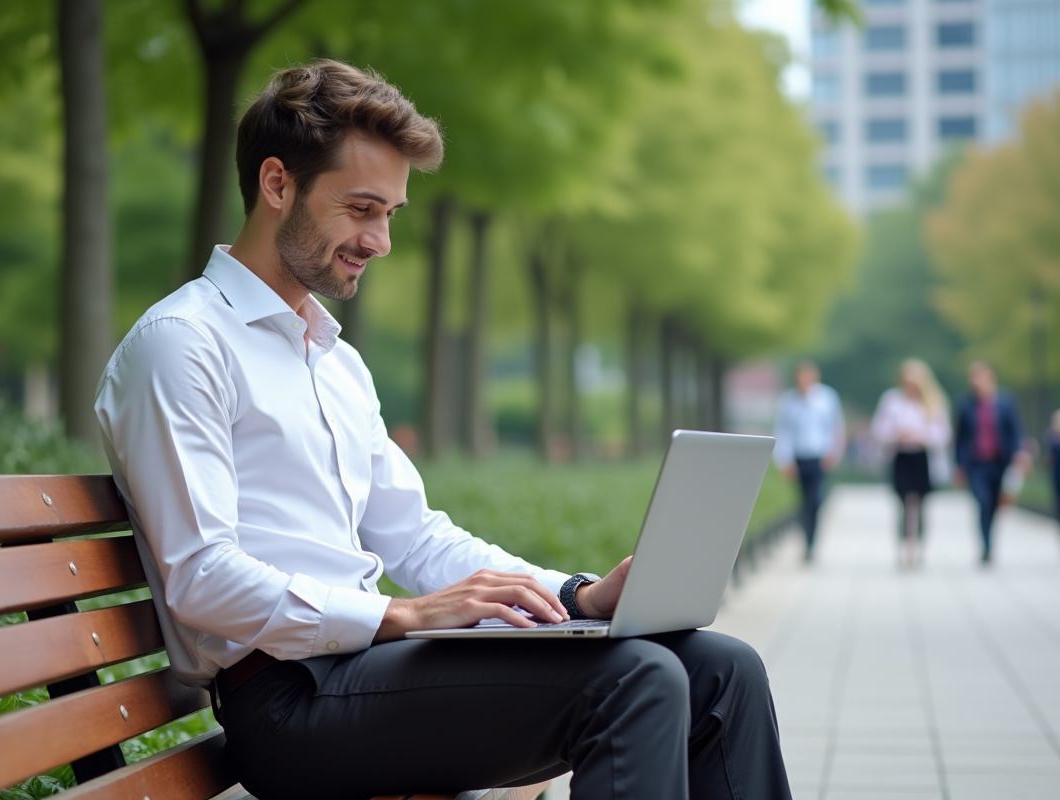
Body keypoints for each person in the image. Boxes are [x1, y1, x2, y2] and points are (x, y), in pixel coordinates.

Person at [93, 60, 791, 800]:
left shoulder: (333, 361)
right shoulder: (183, 344)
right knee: (636, 679)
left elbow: (417, 536)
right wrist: (399, 614)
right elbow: (202, 579)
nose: (380, 240)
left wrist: (574, 598)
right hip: (286, 704)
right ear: (276, 185)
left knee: (722, 670)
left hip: (366, 676)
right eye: (362, 208)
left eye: (389, 214)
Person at [871, 359, 951, 569]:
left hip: (923, 457)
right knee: (903, 504)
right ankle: (905, 546)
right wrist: (896, 435)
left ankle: (920, 546)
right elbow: (879, 428)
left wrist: (921, 436)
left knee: (922, 505)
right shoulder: (891, 400)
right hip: (901, 457)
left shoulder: (933, 402)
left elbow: (942, 433)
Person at [772, 361, 846, 561]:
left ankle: (812, 542)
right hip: (798, 457)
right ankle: (806, 539)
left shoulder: (827, 398)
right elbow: (783, 432)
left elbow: (835, 427)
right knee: (803, 501)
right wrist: (784, 460)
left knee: (815, 500)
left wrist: (834, 453)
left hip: (820, 457)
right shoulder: (788, 402)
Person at [954, 362, 1026, 563]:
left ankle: (990, 540)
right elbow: (960, 438)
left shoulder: (1006, 401)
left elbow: (1015, 431)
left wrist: (1019, 454)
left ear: (991, 377)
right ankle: (986, 546)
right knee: (983, 501)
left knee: (994, 504)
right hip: (976, 463)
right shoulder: (966, 404)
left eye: (979, 376)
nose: (975, 381)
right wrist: (959, 465)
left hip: (1000, 461)